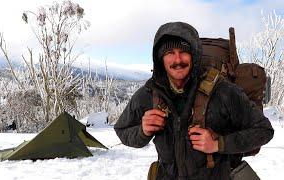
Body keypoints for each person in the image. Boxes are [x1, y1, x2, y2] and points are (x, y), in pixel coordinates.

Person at [114, 22, 274, 180]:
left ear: (194, 55)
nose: (177, 59)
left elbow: (264, 130)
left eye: (184, 51)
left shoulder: (223, 92)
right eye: (169, 52)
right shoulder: (149, 94)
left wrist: (219, 144)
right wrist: (143, 131)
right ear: (160, 58)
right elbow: (122, 130)